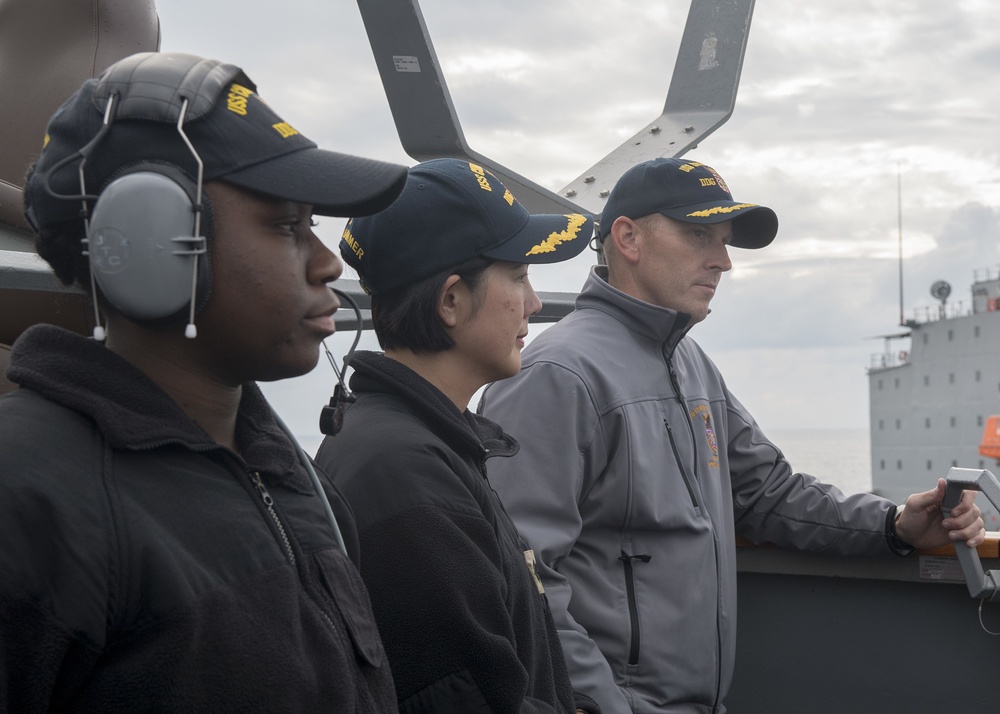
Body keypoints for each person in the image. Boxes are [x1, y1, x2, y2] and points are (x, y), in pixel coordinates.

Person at [477, 157, 987, 714]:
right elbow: (523, 577)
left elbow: (768, 492)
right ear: (627, 238)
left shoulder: (690, 363)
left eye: (723, 241)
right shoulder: (557, 376)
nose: (722, 261)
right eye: (698, 234)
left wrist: (894, 525)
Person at [0, 51, 409, 711]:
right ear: (150, 237)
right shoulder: (26, 501)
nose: (328, 262)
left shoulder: (297, 481)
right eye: (287, 225)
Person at [315, 157, 601, 714]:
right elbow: (469, 699)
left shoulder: (416, 443)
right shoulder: (406, 473)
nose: (536, 305)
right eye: (518, 277)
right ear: (451, 301)